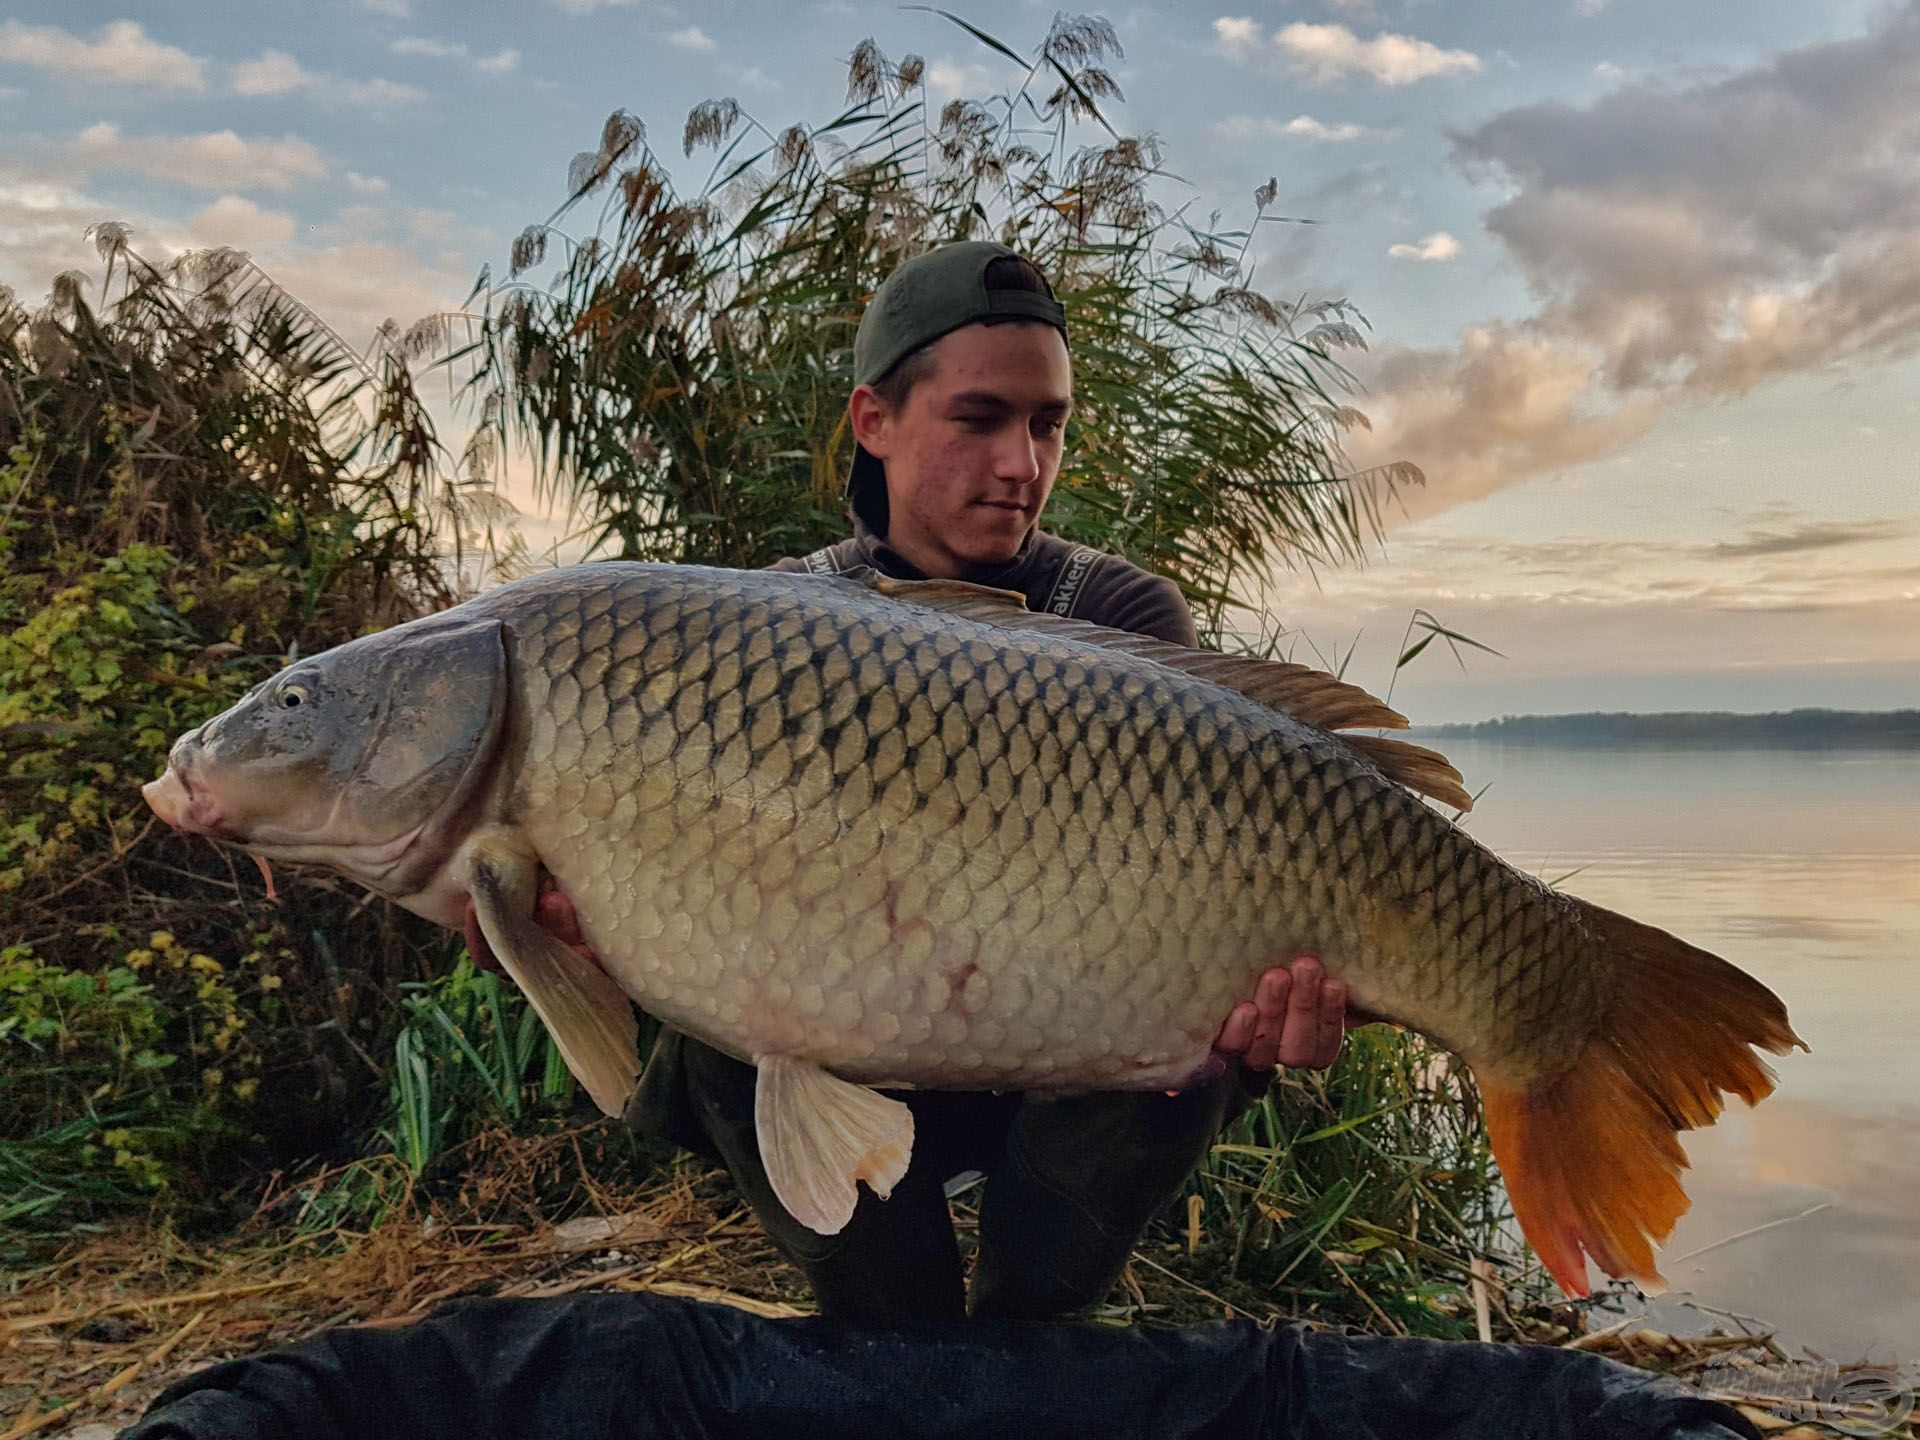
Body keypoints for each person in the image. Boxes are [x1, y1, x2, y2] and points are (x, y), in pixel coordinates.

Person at [617, 240, 1362, 1323]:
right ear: (875, 421)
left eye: (1048, 424)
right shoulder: (766, 626)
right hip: (850, 1056)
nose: (1023, 463)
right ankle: (895, 1334)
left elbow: (1211, 901)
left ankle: (1028, 1334)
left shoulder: (1122, 619)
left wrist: (1256, 1022)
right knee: (724, 1039)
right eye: (980, 419)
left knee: (1194, 1061)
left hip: (1060, 1065)